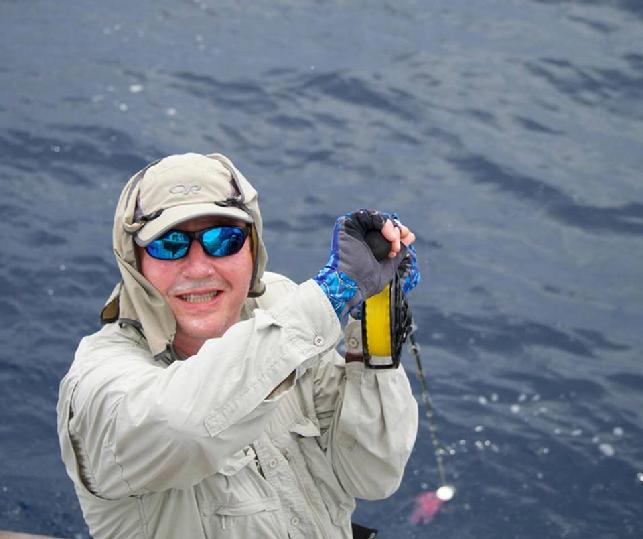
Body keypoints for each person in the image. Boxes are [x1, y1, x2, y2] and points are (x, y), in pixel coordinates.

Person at [57, 152, 419, 539]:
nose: (198, 268)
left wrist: (373, 320)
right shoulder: (97, 380)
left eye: (223, 240)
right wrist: (332, 295)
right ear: (134, 263)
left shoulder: (282, 305)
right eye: (169, 245)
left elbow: (372, 473)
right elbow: (183, 427)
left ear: (253, 249)